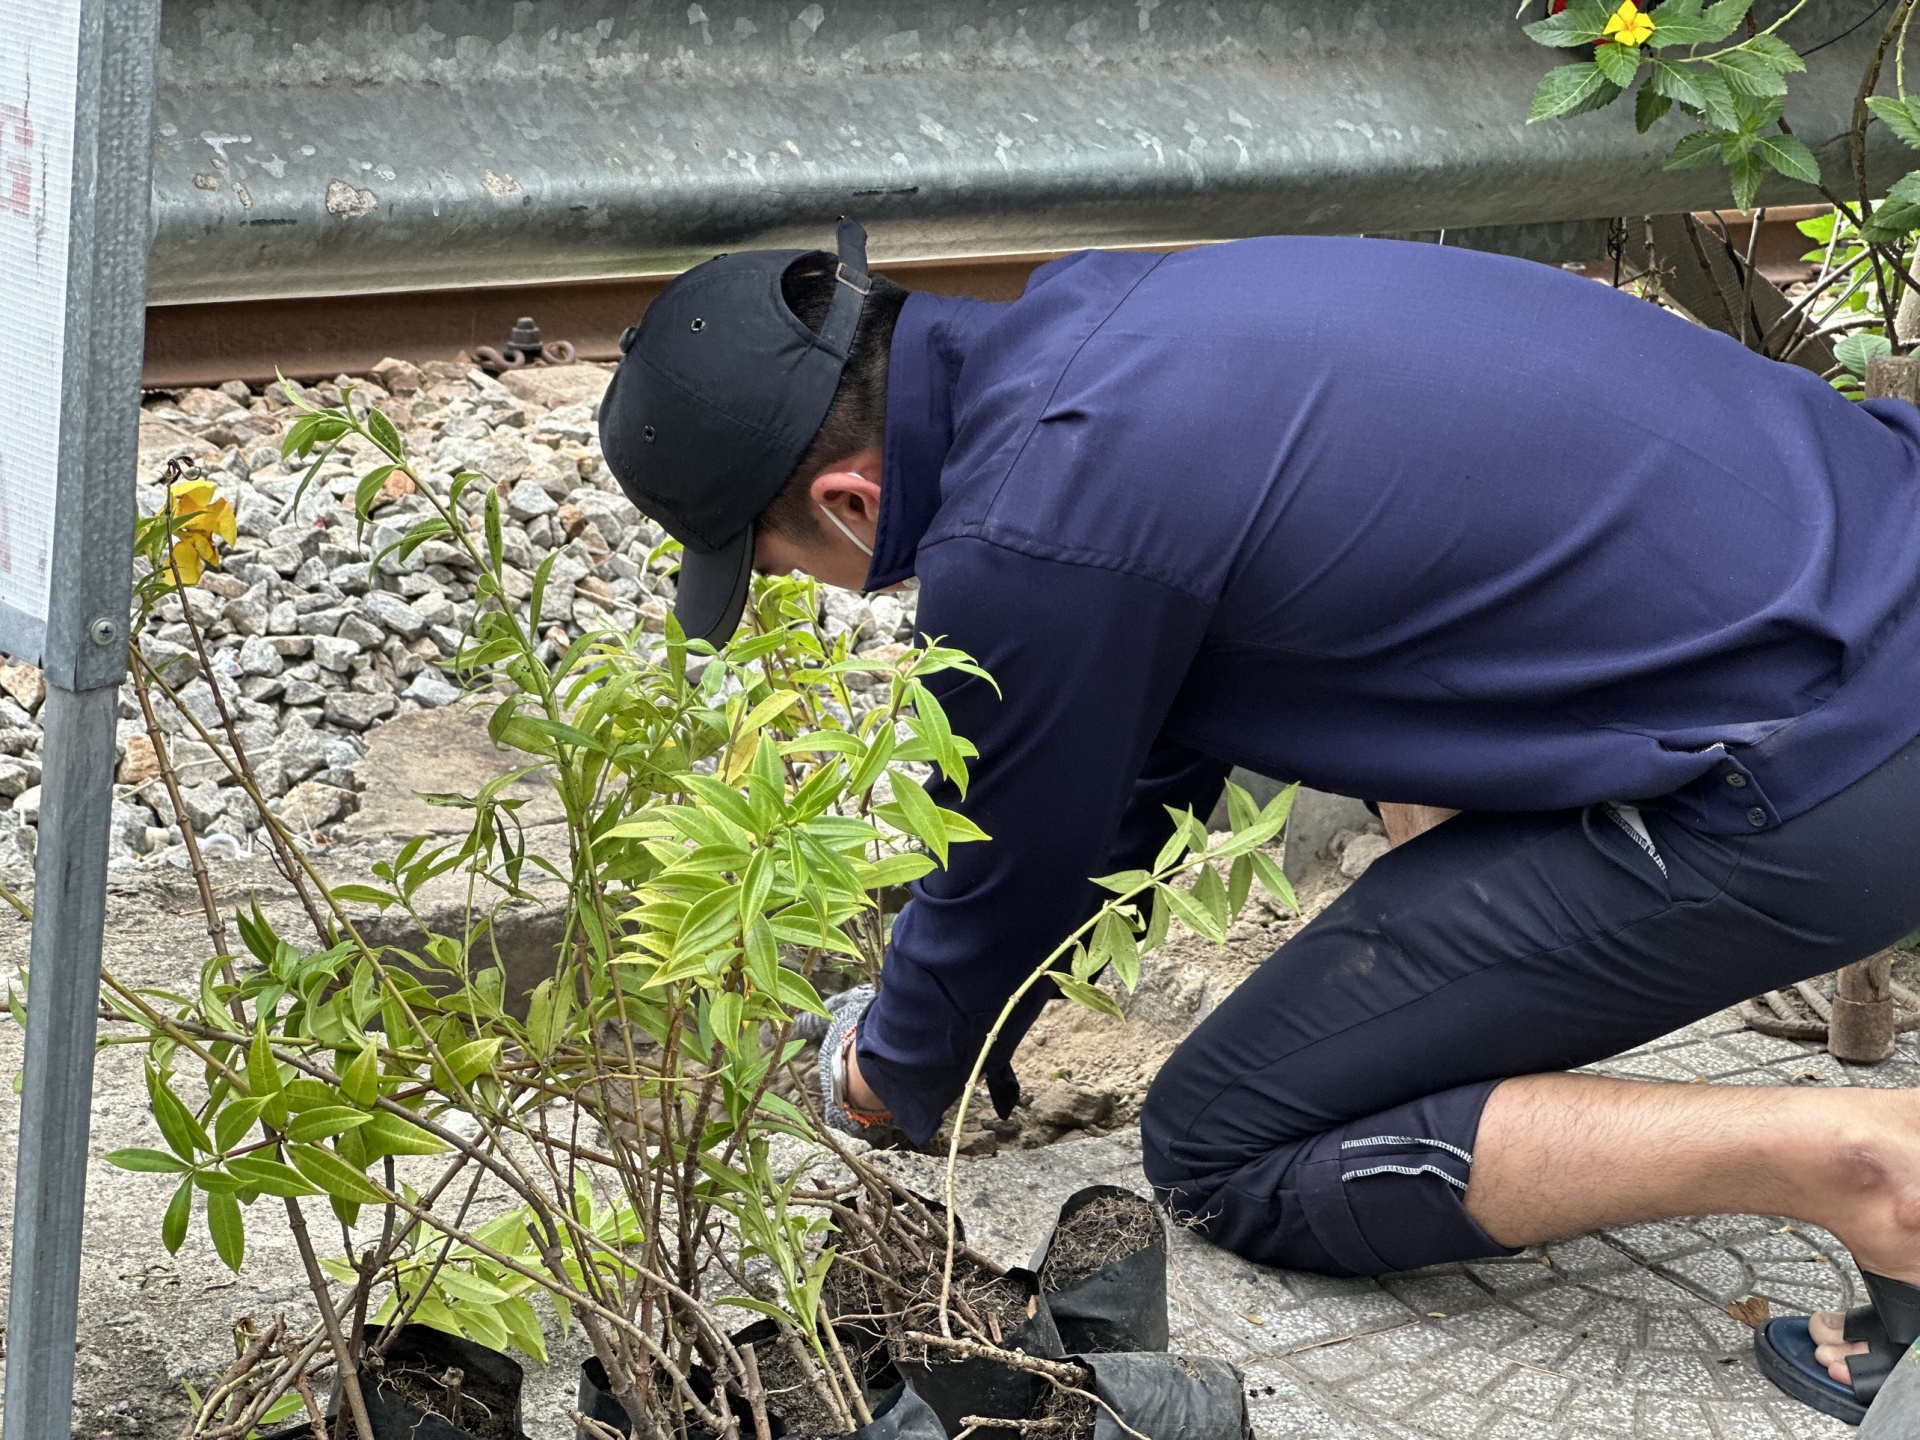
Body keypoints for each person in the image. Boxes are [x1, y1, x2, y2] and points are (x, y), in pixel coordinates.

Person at [598, 220, 1920, 1425]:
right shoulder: (1101, 317)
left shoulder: (1031, 535)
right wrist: (960, 1023)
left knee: (1222, 1144)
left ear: (847, 504)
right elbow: (1142, 759)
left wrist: (890, 1073)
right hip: (1873, 563)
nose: (809, 591)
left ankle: (1866, 1163)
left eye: (777, 571)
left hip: (1835, 774)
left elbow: (1004, 863)